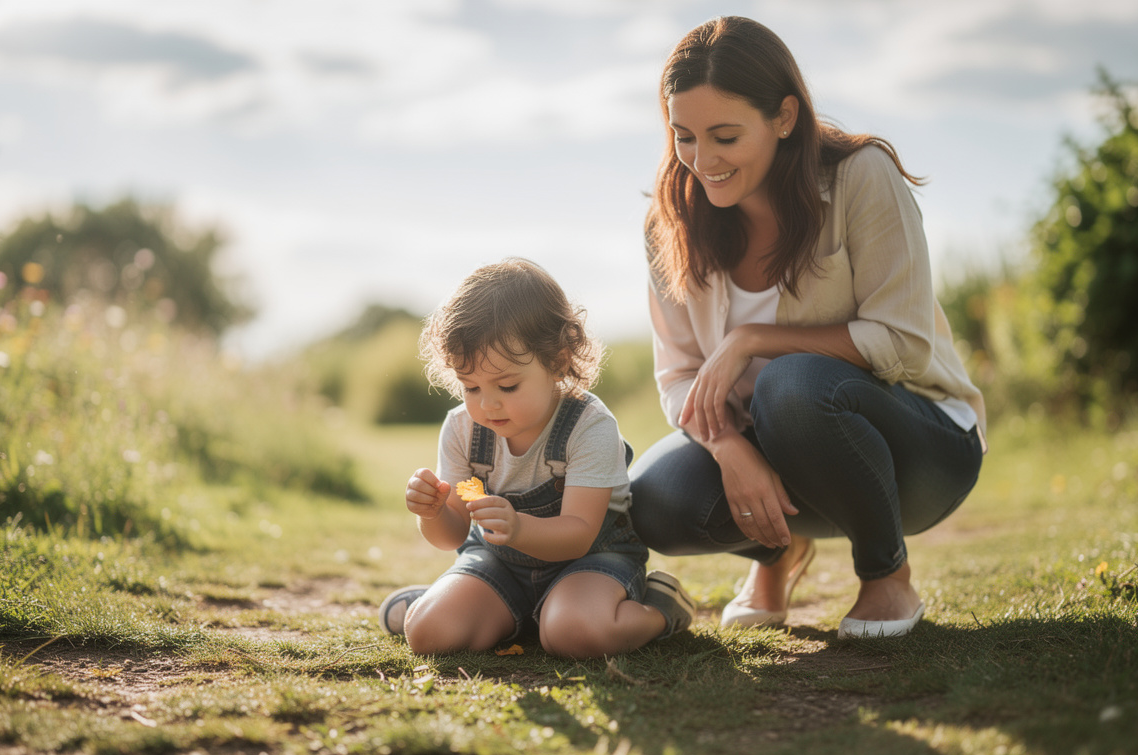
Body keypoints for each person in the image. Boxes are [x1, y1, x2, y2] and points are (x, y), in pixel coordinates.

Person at [630, 16, 987, 639]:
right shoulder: (673, 219)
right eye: (684, 136)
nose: (702, 160)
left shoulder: (861, 177)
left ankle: (886, 576)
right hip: (783, 459)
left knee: (790, 386)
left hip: (922, 449)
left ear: (785, 117)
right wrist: (728, 447)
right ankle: (776, 556)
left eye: (725, 136)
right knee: (650, 499)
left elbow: (903, 343)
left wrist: (754, 339)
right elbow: (680, 375)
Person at [378, 257, 695, 658]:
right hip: (498, 563)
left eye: (507, 385)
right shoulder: (462, 430)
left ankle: (661, 610)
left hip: (590, 560)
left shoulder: (588, 426)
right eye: (470, 387)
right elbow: (453, 534)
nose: (487, 404)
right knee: (429, 633)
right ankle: (487, 607)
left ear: (558, 361)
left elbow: (579, 533)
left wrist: (519, 528)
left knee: (573, 633)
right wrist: (432, 511)